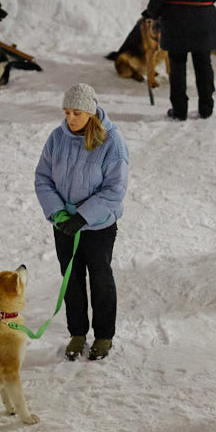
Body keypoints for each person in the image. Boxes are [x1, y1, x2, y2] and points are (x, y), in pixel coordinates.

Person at [34, 84, 130, 362]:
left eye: (77, 112)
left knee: (100, 279)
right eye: (66, 112)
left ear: (90, 112)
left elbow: (115, 189)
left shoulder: (112, 143)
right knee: (71, 279)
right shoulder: (57, 138)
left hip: (98, 227)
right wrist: (59, 213)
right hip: (64, 226)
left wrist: (83, 216)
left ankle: (103, 336)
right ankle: (77, 333)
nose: (70, 118)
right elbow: (43, 178)